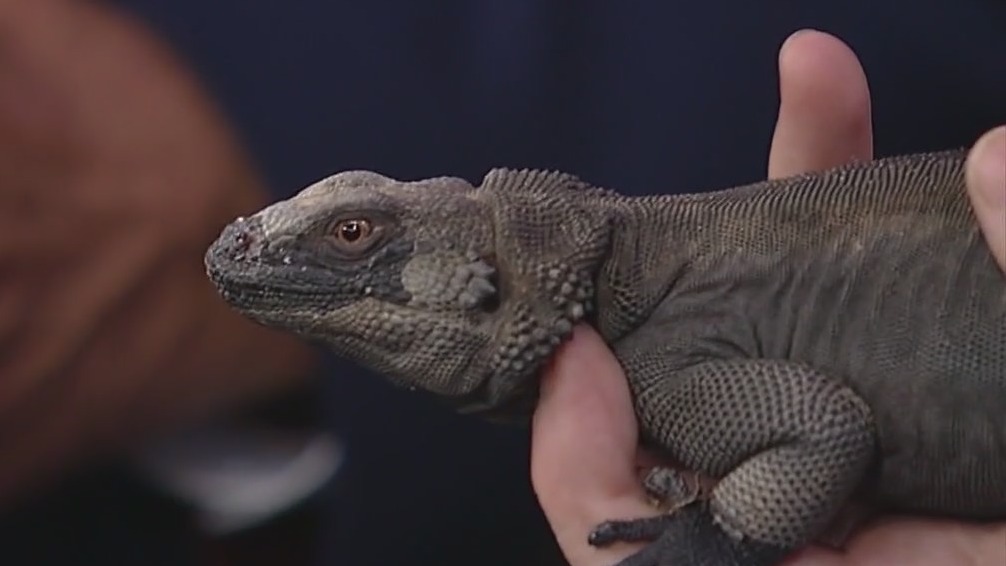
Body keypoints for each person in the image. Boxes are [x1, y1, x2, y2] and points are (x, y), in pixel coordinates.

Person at [531, 31, 1006, 566]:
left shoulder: (656, 358)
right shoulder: (648, 327)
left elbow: (822, 430)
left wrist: (715, 543)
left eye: (410, 250)